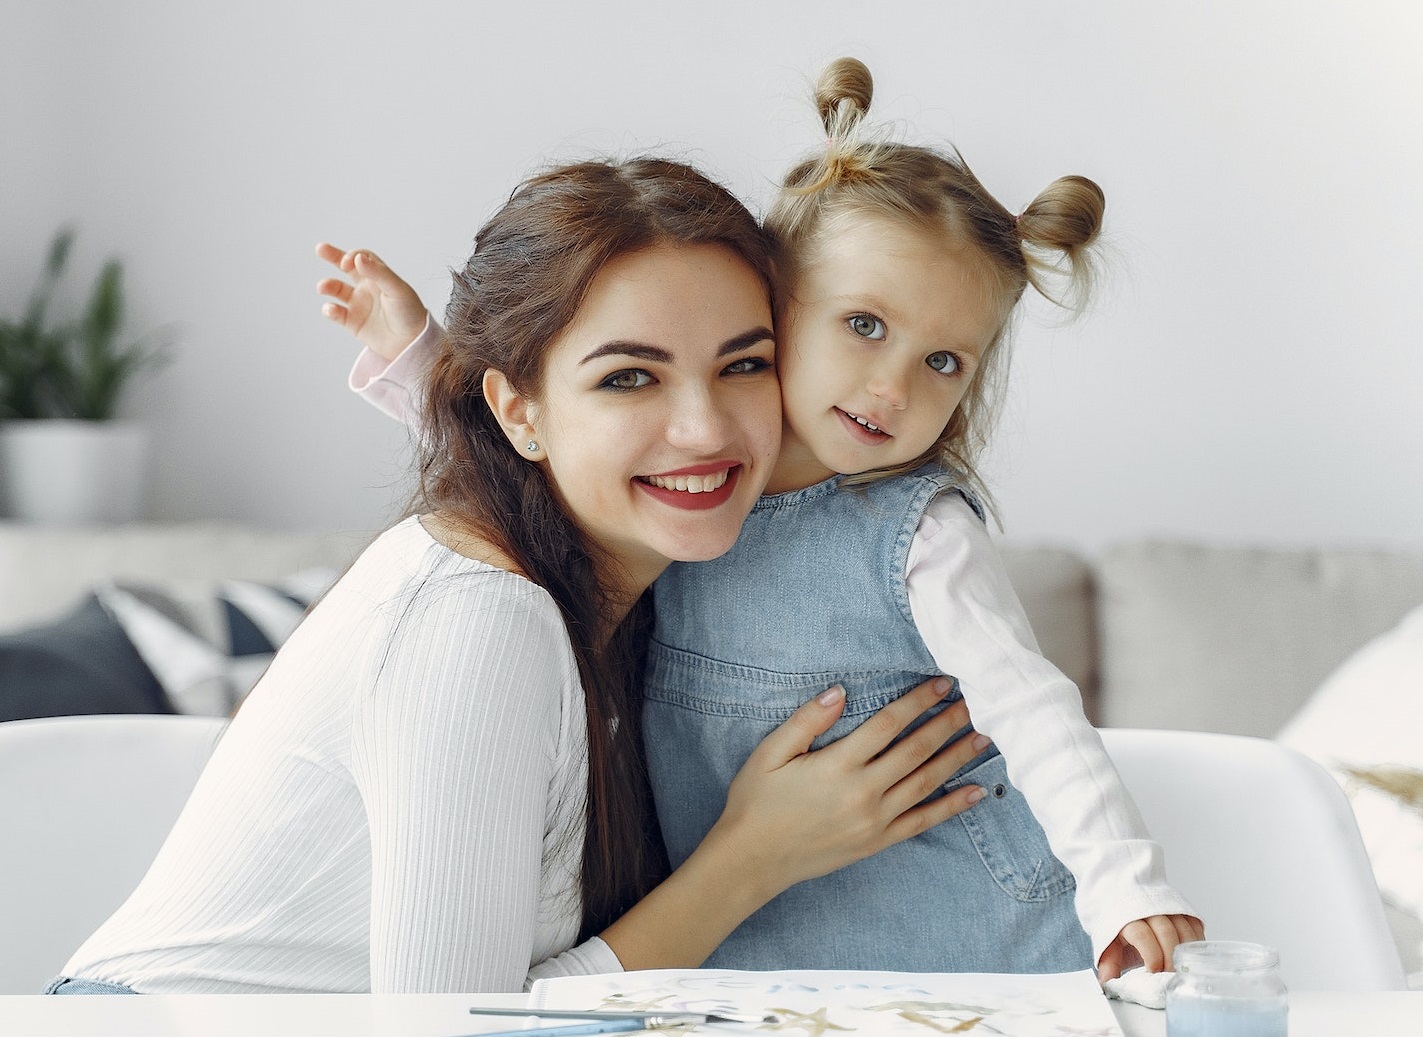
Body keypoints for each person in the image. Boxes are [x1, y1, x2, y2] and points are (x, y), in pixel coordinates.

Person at [328, 61, 1204, 982]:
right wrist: (423, 363)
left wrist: (1127, 888)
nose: (892, 387)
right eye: (863, 325)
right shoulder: (703, 481)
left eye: (943, 361)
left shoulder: (922, 532)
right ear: (773, 310)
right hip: (752, 938)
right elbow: (559, 462)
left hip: (956, 927)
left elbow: (1035, 711)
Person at [48, 157, 992, 996]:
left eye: (744, 364)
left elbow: (510, 443)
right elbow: (451, 1028)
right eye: (630, 377)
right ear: (520, 410)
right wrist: (749, 859)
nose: (707, 429)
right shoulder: (477, 619)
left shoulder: (630, 579)